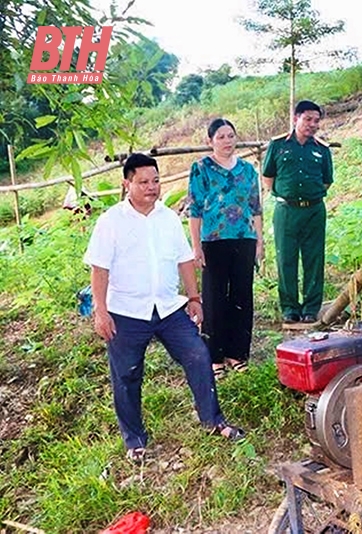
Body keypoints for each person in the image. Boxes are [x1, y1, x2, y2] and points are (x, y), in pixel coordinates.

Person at [84, 153, 245, 463]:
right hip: (126, 312)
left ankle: (213, 421)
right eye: (143, 182)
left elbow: (185, 260)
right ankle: (135, 441)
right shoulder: (111, 221)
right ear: (126, 183)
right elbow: (99, 268)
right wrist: (100, 311)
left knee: (198, 354)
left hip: (169, 309)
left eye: (155, 180)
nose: (151, 187)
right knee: (127, 375)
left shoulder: (168, 218)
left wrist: (195, 298)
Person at [188, 118, 263, 378]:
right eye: (221, 136)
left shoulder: (247, 170)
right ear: (210, 141)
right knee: (215, 298)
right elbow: (195, 209)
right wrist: (196, 246)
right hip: (214, 240)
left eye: (231, 135)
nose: (227, 141)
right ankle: (215, 358)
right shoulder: (201, 169)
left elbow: (255, 207)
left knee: (242, 298)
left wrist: (259, 241)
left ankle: (237, 354)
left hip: (244, 238)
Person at [262, 100, 333, 324]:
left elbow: (326, 182)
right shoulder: (278, 145)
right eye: (307, 119)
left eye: (316, 121)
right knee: (286, 259)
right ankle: (289, 308)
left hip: (314, 211)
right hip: (286, 211)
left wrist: (308, 197)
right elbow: (268, 177)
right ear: (296, 119)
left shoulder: (322, 149)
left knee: (314, 258)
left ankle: (311, 307)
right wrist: (287, 195)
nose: (312, 125)